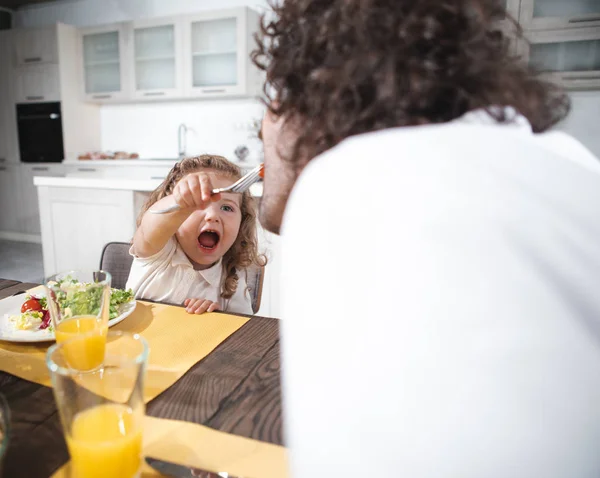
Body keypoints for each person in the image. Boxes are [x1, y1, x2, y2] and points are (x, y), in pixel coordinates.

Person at [252, 1, 600, 477]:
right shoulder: (574, 163)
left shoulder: (352, 182)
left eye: (272, 99)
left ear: (311, 96)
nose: (261, 128)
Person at [126, 155, 266, 315]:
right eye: (196, 205)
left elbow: (244, 331)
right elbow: (150, 225)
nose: (212, 216)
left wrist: (220, 318)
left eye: (227, 208)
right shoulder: (157, 252)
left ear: (242, 223)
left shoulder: (233, 282)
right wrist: (179, 202)